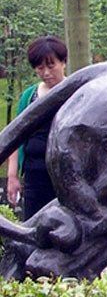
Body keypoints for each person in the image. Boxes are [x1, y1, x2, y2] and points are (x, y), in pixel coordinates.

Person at [6, 36, 68, 219]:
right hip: (34, 173)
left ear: (63, 62)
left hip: (65, 175)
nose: (46, 73)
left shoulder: (76, 92)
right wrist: (12, 175)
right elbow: (16, 136)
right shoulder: (29, 96)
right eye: (40, 68)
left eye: (51, 66)